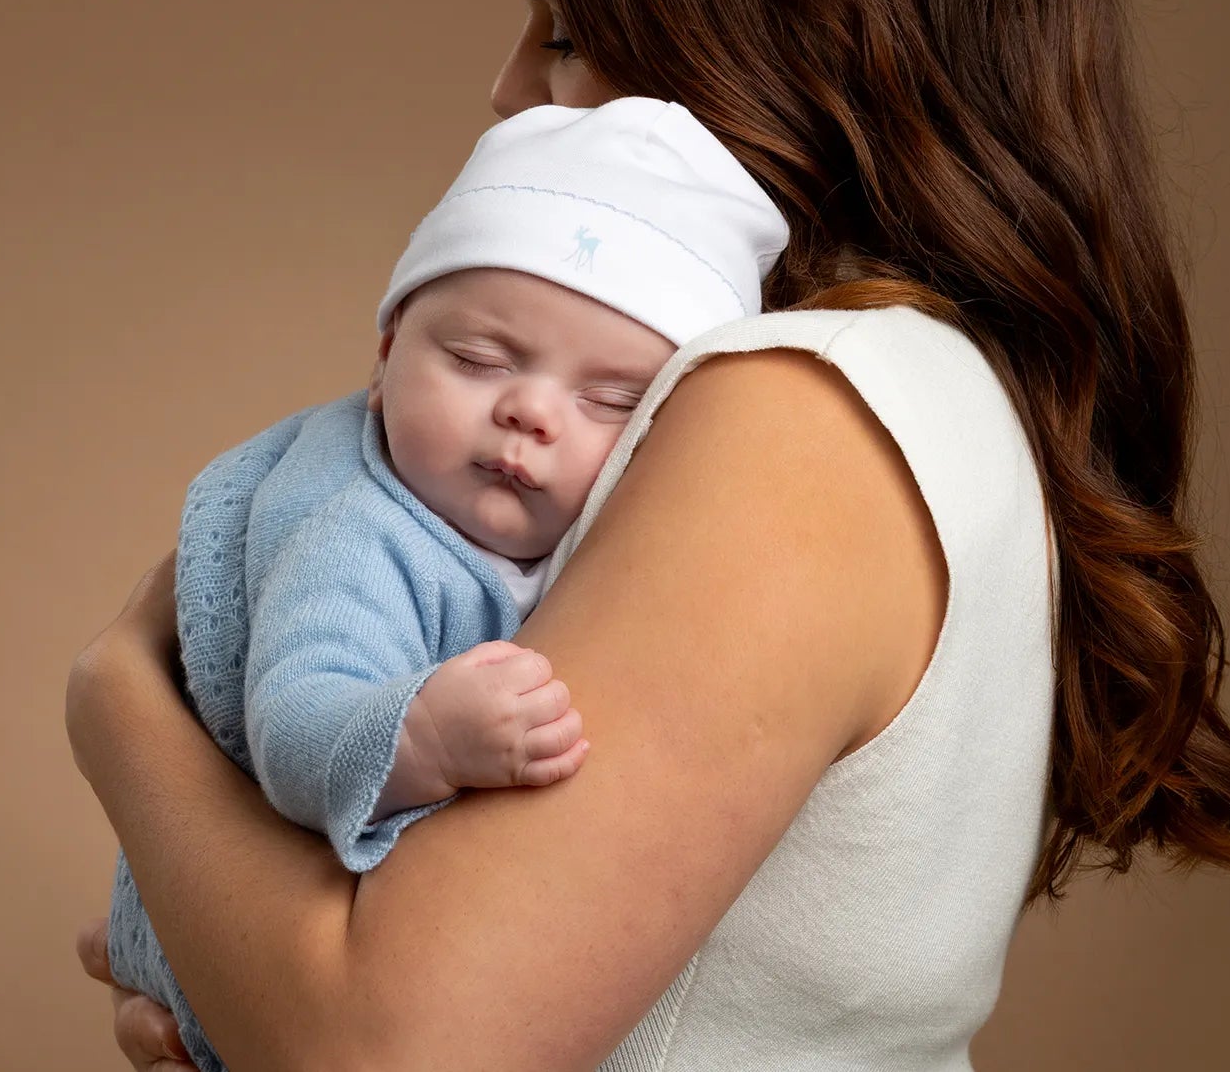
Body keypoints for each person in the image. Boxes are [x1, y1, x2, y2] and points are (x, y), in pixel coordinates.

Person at [67, 0, 1230, 1070]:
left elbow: (388, 1051)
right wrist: (231, 958)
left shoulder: (797, 418)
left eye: (574, 27)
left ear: (801, 31)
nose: (509, 86)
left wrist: (115, 704)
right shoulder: (938, 396)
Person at [104, 95, 791, 1072]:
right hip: (262, 962)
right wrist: (426, 731)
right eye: (478, 359)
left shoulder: (621, 542)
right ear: (386, 356)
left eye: (610, 401)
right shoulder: (363, 530)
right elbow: (296, 727)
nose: (528, 412)